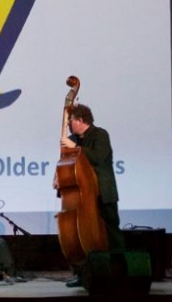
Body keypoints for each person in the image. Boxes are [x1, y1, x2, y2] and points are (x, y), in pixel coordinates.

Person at [59, 103, 125, 287]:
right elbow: (67, 164)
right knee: (81, 237)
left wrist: (76, 148)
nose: (69, 125)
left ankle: (119, 272)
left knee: (112, 233)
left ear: (80, 120)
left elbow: (98, 157)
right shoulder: (74, 139)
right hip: (82, 196)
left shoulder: (100, 135)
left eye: (71, 121)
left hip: (102, 192)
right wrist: (58, 178)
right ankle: (83, 275)